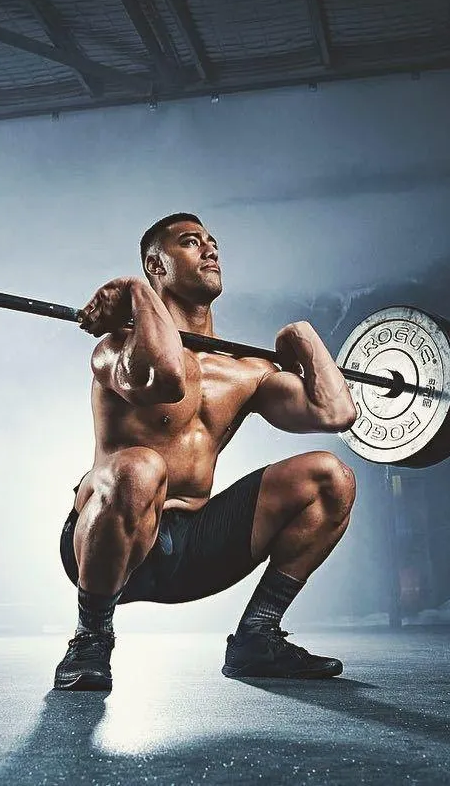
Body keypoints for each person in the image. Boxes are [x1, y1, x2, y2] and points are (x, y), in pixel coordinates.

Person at [54, 213, 358, 691]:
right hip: (108, 543)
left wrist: (302, 337)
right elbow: (165, 380)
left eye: (212, 242)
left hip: (195, 551)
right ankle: (90, 638)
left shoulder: (244, 371)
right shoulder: (115, 349)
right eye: (191, 242)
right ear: (157, 265)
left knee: (330, 478)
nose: (210, 250)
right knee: (140, 466)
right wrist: (136, 291)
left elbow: (335, 412)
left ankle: (258, 636)